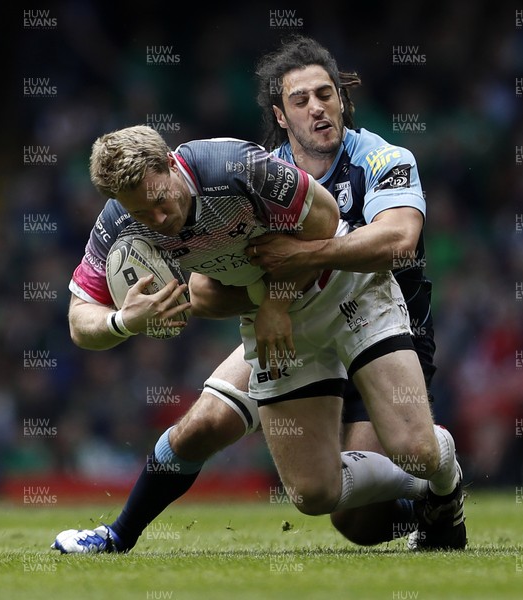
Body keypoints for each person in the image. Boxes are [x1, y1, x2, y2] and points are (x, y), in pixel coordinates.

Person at [52, 117, 464, 555]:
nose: (158, 219)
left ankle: (444, 478)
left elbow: (326, 222)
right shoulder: (119, 224)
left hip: (346, 289)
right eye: (140, 212)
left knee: (415, 449)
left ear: (171, 165)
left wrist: (273, 303)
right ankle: (429, 492)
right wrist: (124, 322)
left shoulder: (235, 166)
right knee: (313, 494)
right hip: (279, 323)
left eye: (160, 200)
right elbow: (80, 321)